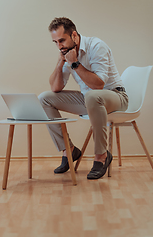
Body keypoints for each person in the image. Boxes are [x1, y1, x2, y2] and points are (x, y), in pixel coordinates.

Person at [38, 17, 128, 179]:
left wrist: (75, 64)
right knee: (44, 98)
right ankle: (69, 150)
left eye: (62, 40)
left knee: (93, 96)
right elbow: (55, 88)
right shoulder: (66, 52)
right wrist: (60, 63)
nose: (59, 46)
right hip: (90, 99)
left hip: (115, 96)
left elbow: (98, 85)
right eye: (56, 42)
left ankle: (102, 156)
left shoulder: (96, 46)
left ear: (74, 35)